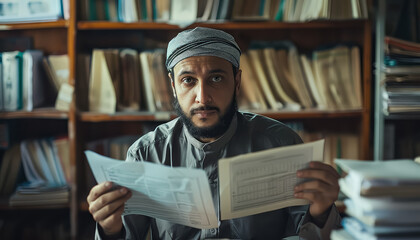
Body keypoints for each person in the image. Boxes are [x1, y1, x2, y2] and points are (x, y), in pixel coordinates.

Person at [87, 27, 341, 240]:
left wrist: (320, 211)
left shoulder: (280, 143)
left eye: (216, 78)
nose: (202, 97)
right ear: (173, 86)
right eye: (188, 80)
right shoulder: (146, 153)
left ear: (237, 81)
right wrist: (110, 228)